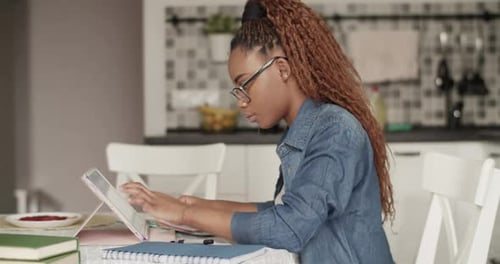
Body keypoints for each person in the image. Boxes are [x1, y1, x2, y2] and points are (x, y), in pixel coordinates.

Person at [120, 0, 395, 263]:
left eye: (245, 85)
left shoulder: (335, 130)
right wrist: (194, 206)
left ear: (282, 69)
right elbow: (282, 211)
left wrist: (183, 214)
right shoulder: (308, 128)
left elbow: (290, 227)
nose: (240, 101)